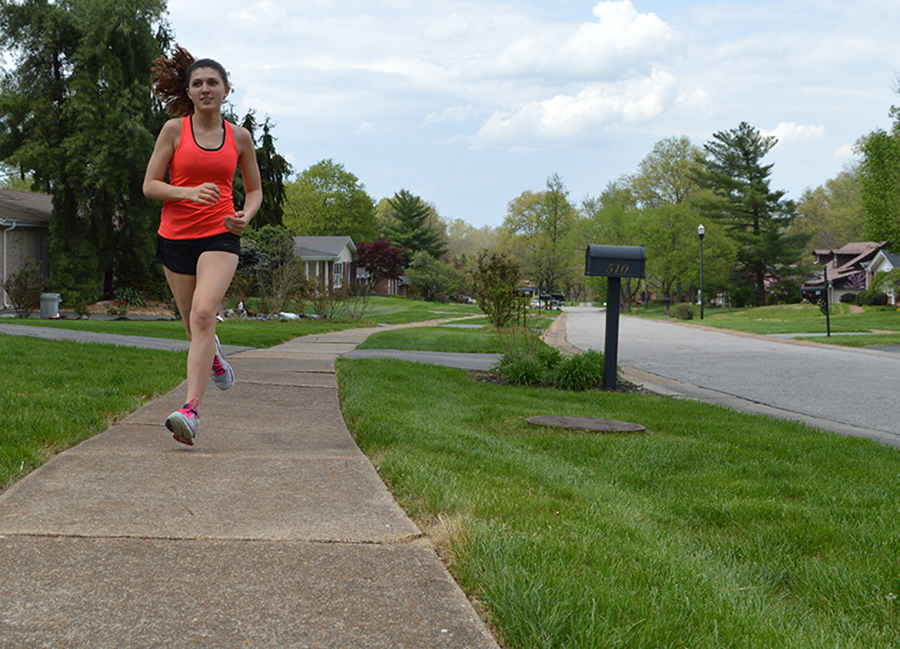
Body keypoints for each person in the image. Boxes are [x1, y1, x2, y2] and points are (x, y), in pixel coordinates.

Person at [143, 46, 262, 446]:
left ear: (227, 90)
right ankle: (211, 356)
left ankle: (190, 411)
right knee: (192, 325)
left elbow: (255, 190)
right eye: (198, 83)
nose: (205, 88)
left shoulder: (240, 137)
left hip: (220, 236)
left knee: (203, 313)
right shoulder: (174, 130)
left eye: (213, 82)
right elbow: (150, 186)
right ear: (189, 92)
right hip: (175, 238)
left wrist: (245, 215)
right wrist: (188, 193)